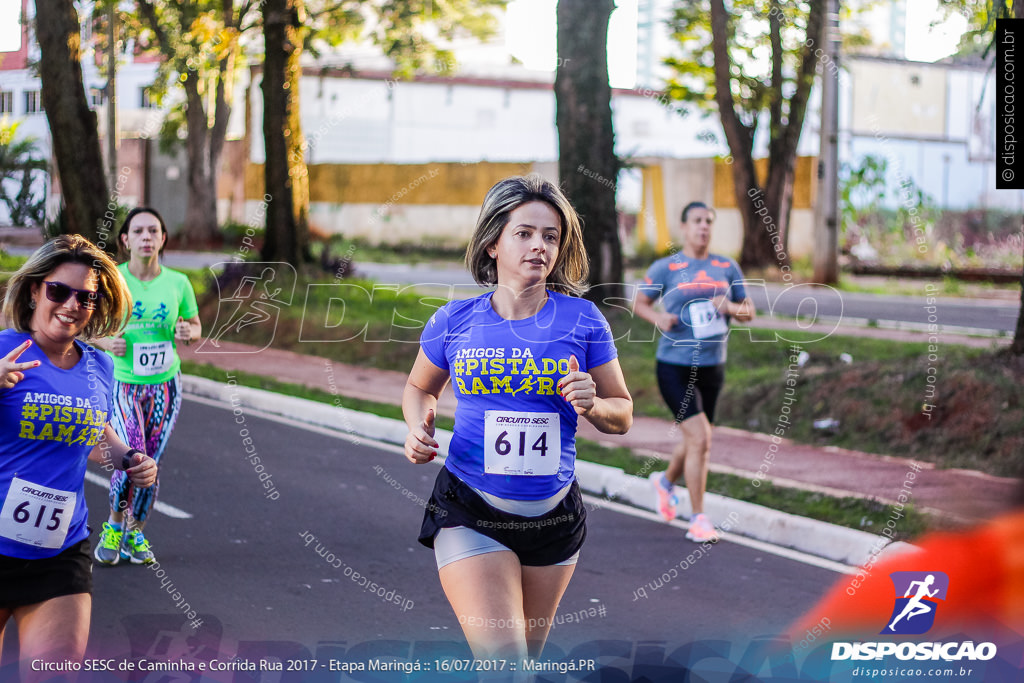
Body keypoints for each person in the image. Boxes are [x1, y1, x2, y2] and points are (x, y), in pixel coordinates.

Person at [403, 174, 633, 663]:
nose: (540, 246)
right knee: (506, 665)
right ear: (493, 244)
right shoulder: (455, 320)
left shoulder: (584, 320)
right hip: (470, 508)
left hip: (553, 517)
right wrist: (418, 426)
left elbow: (623, 414)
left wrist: (593, 404)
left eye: (551, 237)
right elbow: (421, 387)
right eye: (524, 233)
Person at [0, 235, 157, 679]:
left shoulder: (99, 366)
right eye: (58, 290)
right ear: (34, 290)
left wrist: (130, 458)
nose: (72, 304)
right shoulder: (3, 348)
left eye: (86, 296)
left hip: (58, 552)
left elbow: (92, 432)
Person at [633, 201, 755, 542]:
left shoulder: (727, 267)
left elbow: (749, 311)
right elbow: (639, 303)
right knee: (701, 438)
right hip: (673, 366)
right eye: (697, 221)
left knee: (696, 440)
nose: (703, 227)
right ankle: (699, 518)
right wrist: (658, 317)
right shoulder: (666, 267)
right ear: (684, 227)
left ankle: (665, 482)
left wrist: (728, 306)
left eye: (708, 221)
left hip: (713, 367)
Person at [89, 207, 200, 565]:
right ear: (125, 240)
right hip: (125, 384)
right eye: (138, 231)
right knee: (131, 456)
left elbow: (194, 325)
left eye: (154, 231)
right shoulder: (113, 280)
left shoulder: (178, 283)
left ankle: (136, 531)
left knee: (151, 463)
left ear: (163, 238)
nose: (147, 238)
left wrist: (188, 332)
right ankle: (114, 525)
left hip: (166, 386)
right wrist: (108, 343)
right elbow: (89, 327)